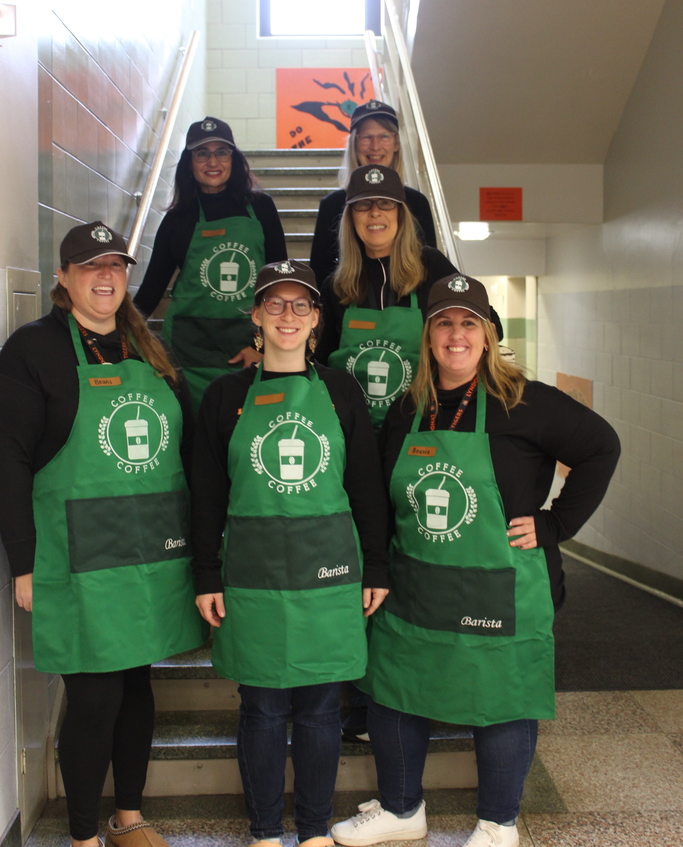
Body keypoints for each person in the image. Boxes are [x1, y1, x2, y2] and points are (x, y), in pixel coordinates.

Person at [330, 274, 621, 847]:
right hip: (416, 582)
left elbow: (601, 447)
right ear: (428, 335)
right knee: (394, 689)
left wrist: (555, 523)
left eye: (469, 323)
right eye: (444, 322)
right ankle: (401, 809)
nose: (456, 335)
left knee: (503, 696)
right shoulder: (409, 406)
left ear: (488, 335)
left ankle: (497, 823)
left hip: (499, 585)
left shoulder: (526, 401)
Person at [0, 221, 206, 847]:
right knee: (94, 697)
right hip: (79, 555)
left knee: (138, 686)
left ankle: (129, 816)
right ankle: (84, 834)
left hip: (151, 553)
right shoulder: (32, 350)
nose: (105, 277)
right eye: (90, 267)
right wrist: (24, 563)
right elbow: (9, 460)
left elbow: (188, 449)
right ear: (63, 278)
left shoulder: (149, 348)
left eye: (115, 265)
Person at [192, 259, 389, 847]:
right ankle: (263, 831)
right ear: (255, 316)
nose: (287, 315)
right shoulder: (225, 395)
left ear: (316, 321)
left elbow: (366, 487)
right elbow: (206, 493)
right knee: (261, 709)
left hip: (329, 574)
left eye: (300, 305)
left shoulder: (341, 390)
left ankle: (312, 830)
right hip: (251, 577)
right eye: (274, 304)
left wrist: (375, 563)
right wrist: (206, 573)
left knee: (322, 709)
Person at [317, 165, 502, 433]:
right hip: (352, 430)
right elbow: (321, 359)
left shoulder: (431, 267)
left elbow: (490, 325)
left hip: (421, 424)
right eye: (363, 204)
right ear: (350, 217)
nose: (374, 212)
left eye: (385, 203)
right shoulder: (335, 286)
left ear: (401, 214)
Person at [134, 116, 287, 412]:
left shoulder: (261, 208)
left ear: (234, 158)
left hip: (246, 351)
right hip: (187, 358)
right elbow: (150, 292)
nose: (212, 161)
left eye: (221, 152)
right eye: (202, 153)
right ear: (189, 163)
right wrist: (114, 336)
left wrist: (265, 347)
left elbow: (280, 286)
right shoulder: (178, 220)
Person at [309, 101, 436, 290]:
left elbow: (430, 272)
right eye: (367, 137)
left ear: (396, 143)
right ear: (354, 143)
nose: (375, 147)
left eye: (384, 136)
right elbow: (319, 273)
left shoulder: (416, 203)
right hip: (348, 303)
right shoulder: (333, 204)